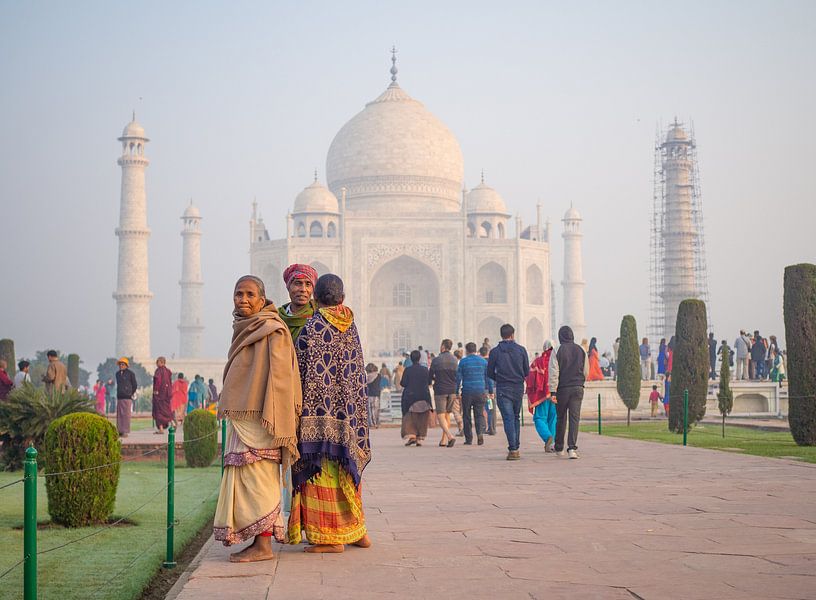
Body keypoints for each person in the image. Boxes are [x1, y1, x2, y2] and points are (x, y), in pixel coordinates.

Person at [214, 275, 302, 562]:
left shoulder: (272, 330)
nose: (243, 299)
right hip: (244, 418)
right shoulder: (246, 327)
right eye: (238, 293)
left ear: (262, 300)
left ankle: (263, 546)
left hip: (264, 420)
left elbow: (280, 381)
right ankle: (256, 541)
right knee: (245, 479)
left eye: (250, 294)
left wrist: (274, 419)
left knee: (260, 480)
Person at [288, 274, 372, 553]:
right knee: (348, 470)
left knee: (321, 474)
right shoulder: (351, 325)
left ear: (315, 299)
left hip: (320, 419)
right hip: (350, 416)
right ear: (342, 298)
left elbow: (297, 372)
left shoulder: (312, 327)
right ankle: (358, 531)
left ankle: (330, 538)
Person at [487, 324, 530, 461]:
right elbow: (526, 372)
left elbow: (489, 372)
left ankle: (513, 448)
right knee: (515, 417)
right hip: (517, 387)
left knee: (508, 419)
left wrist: (500, 379)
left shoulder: (495, 352)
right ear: (512, 335)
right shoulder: (521, 350)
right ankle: (515, 447)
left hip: (503, 388)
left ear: (501, 335)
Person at [548, 325, 588, 459]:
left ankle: (559, 447)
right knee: (574, 418)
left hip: (563, 388)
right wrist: (580, 382)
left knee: (561, 417)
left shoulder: (558, 350)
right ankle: (572, 448)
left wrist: (553, 392)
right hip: (578, 387)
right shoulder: (581, 350)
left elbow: (554, 372)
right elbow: (586, 371)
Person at [456, 342, 489, 446]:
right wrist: (490, 391)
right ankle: (480, 434)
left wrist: (456, 390)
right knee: (479, 415)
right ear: (476, 350)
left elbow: (458, 378)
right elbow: (488, 378)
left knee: (466, 415)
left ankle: (469, 438)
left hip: (467, 391)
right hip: (480, 391)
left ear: (466, 350)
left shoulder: (463, 361)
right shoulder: (483, 361)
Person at [526, 340, 556, 452]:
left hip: (541, 395)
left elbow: (529, 378)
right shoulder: (558, 361)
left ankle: (547, 437)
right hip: (555, 394)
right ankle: (552, 444)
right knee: (553, 419)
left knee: (539, 418)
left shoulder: (538, 362)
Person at [429, 339, 458, 448]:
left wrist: (433, 381)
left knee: (440, 415)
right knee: (447, 415)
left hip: (440, 390)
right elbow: (457, 376)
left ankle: (450, 436)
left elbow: (430, 376)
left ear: (443, 346)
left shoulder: (436, 360)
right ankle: (444, 439)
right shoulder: (455, 360)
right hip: (452, 390)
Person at [277, 263, 318, 340]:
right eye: (298, 283)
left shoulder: (319, 316)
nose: (303, 289)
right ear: (289, 287)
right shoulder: (276, 317)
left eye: (308, 284)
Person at [401, 349, 432, 447]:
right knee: (422, 418)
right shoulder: (425, 369)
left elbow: (403, 383)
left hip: (411, 398)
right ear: (419, 358)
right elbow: (429, 382)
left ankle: (412, 436)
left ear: (411, 358)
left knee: (410, 418)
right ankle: (419, 438)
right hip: (423, 396)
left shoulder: (408, 370)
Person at [115, 357, 137, 437]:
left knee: (126, 415)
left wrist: (130, 392)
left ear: (126, 365)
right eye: (120, 364)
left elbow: (134, 385)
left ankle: (125, 431)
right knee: (120, 415)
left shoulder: (131, 374)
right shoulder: (117, 374)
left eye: (123, 364)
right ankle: (120, 430)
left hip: (127, 397)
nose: (121, 366)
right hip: (120, 396)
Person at [152, 357, 173, 433]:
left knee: (159, 411)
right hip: (167, 394)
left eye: (158, 362)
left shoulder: (158, 371)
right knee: (167, 410)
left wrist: (156, 390)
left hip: (160, 395)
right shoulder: (168, 371)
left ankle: (161, 429)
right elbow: (170, 383)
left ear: (162, 362)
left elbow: (158, 381)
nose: (157, 364)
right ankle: (172, 422)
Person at [480, 346, 497, 434]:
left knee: (482, 409)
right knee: (491, 409)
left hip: (482, 389)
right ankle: (492, 428)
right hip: (491, 389)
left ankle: (483, 428)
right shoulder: (492, 362)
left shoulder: (480, 363)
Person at [365, 363, 383, 428]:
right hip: (377, 394)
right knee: (377, 409)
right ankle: (377, 423)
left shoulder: (368, 377)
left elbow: (366, 384)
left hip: (370, 394)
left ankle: (372, 423)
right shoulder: (379, 375)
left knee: (371, 409)